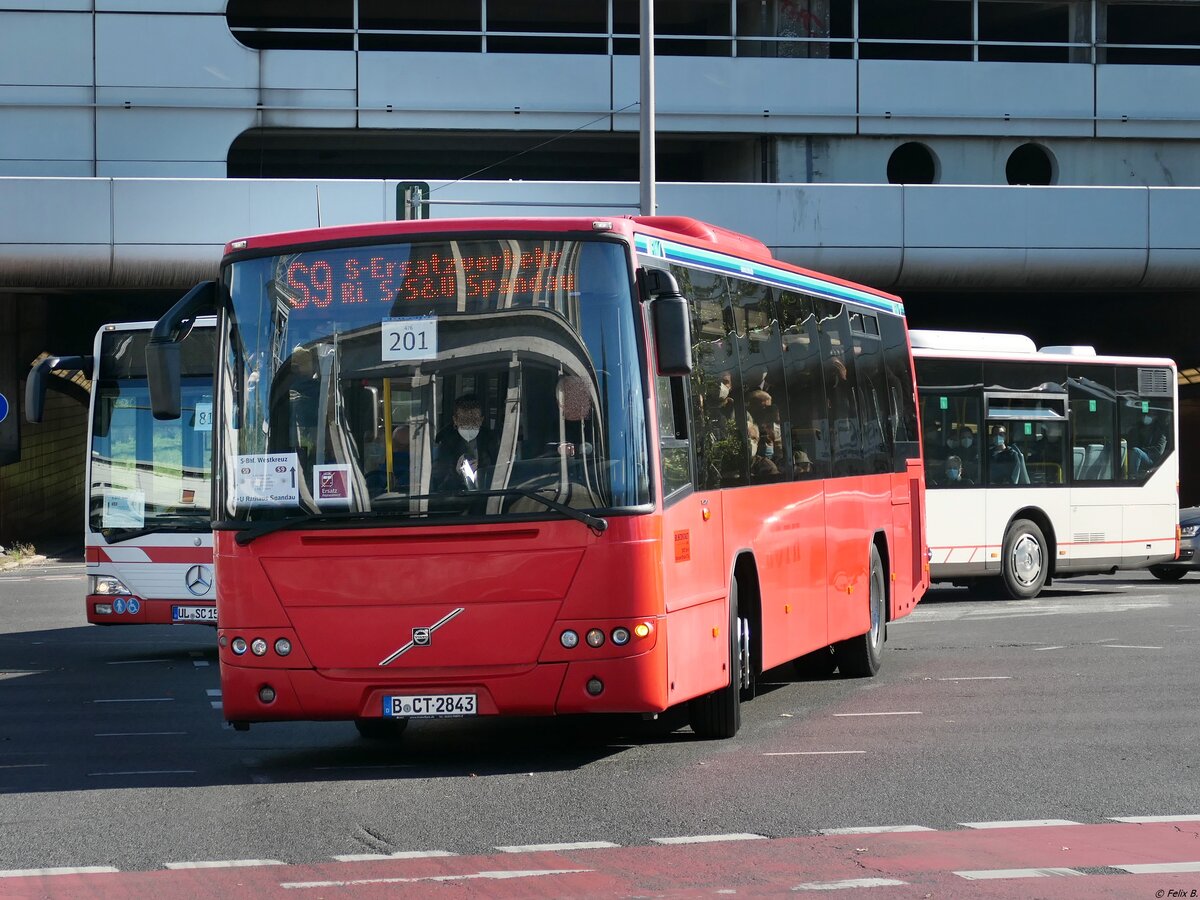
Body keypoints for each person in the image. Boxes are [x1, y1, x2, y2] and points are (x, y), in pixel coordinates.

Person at [432, 394, 497, 493]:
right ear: (455, 420)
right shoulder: (444, 442)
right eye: (464, 419)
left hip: (489, 496)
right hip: (456, 499)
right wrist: (456, 472)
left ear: (481, 420)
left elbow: (501, 471)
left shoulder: (491, 440)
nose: (469, 424)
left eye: (474, 419)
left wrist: (482, 469)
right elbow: (438, 483)